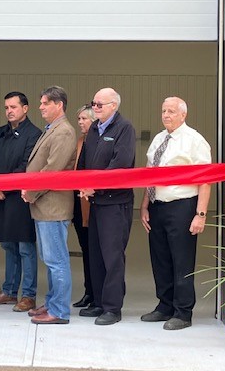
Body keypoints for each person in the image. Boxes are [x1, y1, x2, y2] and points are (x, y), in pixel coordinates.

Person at [139, 97, 211, 331]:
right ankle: (165, 305)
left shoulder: (194, 141)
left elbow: (205, 180)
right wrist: (144, 205)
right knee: (160, 258)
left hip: (182, 206)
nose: (166, 115)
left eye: (171, 111)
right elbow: (150, 175)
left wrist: (200, 214)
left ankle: (183, 312)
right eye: (163, 111)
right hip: (157, 205)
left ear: (183, 115)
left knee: (181, 260)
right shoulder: (159, 139)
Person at [79, 88, 136, 326]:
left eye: (100, 104)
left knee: (112, 256)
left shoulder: (124, 128)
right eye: (94, 104)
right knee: (96, 254)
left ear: (114, 105)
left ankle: (113, 308)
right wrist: (82, 183)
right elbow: (84, 162)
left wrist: (96, 186)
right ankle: (100, 303)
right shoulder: (94, 128)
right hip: (95, 202)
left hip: (115, 203)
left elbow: (120, 164)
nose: (96, 108)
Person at [21, 86, 77, 325]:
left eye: (45, 103)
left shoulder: (63, 132)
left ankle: (60, 310)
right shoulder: (52, 129)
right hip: (44, 206)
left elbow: (52, 170)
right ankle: (53, 302)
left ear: (59, 105)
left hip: (53, 205)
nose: (41, 107)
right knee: (50, 258)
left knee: (57, 260)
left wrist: (31, 192)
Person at [0, 92, 41, 313]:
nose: (9, 111)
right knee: (8, 245)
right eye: (6, 107)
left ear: (25, 109)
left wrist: (2, 187)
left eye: (13, 107)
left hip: (20, 198)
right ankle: (8, 291)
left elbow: (27, 166)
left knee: (25, 247)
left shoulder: (34, 134)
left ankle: (29, 295)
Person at [71, 104, 96, 309]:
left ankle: (97, 293)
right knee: (86, 250)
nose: (80, 122)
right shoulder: (80, 141)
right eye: (78, 119)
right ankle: (89, 291)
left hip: (94, 205)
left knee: (95, 251)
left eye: (84, 119)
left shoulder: (98, 142)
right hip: (78, 205)